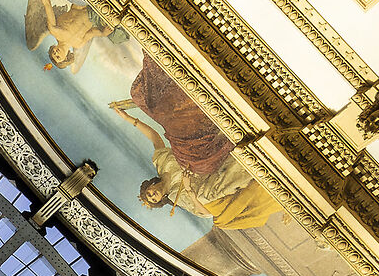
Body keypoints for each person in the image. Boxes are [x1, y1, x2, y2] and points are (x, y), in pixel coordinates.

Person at [110, 61, 281, 232]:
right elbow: (205, 212)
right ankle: (253, 155)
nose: (152, 195)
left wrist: (128, 119)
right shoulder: (179, 198)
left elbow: (155, 138)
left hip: (188, 145)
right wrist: (190, 189)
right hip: (209, 172)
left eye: (148, 193)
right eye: (154, 199)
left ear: (149, 186)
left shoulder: (161, 164)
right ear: (161, 199)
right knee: (205, 194)